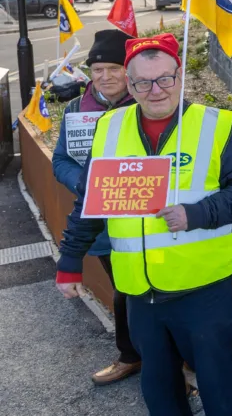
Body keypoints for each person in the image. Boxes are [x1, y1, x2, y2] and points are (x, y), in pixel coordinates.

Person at [55, 33, 232, 416]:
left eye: (165, 78)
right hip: (140, 292)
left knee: (220, 390)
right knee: (160, 391)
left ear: (179, 77)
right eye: (144, 82)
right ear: (130, 85)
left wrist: (195, 214)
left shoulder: (213, 125)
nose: (156, 90)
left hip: (201, 289)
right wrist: (70, 261)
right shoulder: (109, 128)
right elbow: (90, 202)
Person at [51, 29, 140, 385]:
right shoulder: (76, 109)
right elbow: (60, 161)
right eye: (97, 69)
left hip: (143, 219)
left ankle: (170, 362)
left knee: (153, 293)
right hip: (99, 222)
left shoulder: (148, 101)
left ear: (128, 69)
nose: (105, 77)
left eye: (114, 68)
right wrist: (82, 181)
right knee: (122, 291)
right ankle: (130, 356)